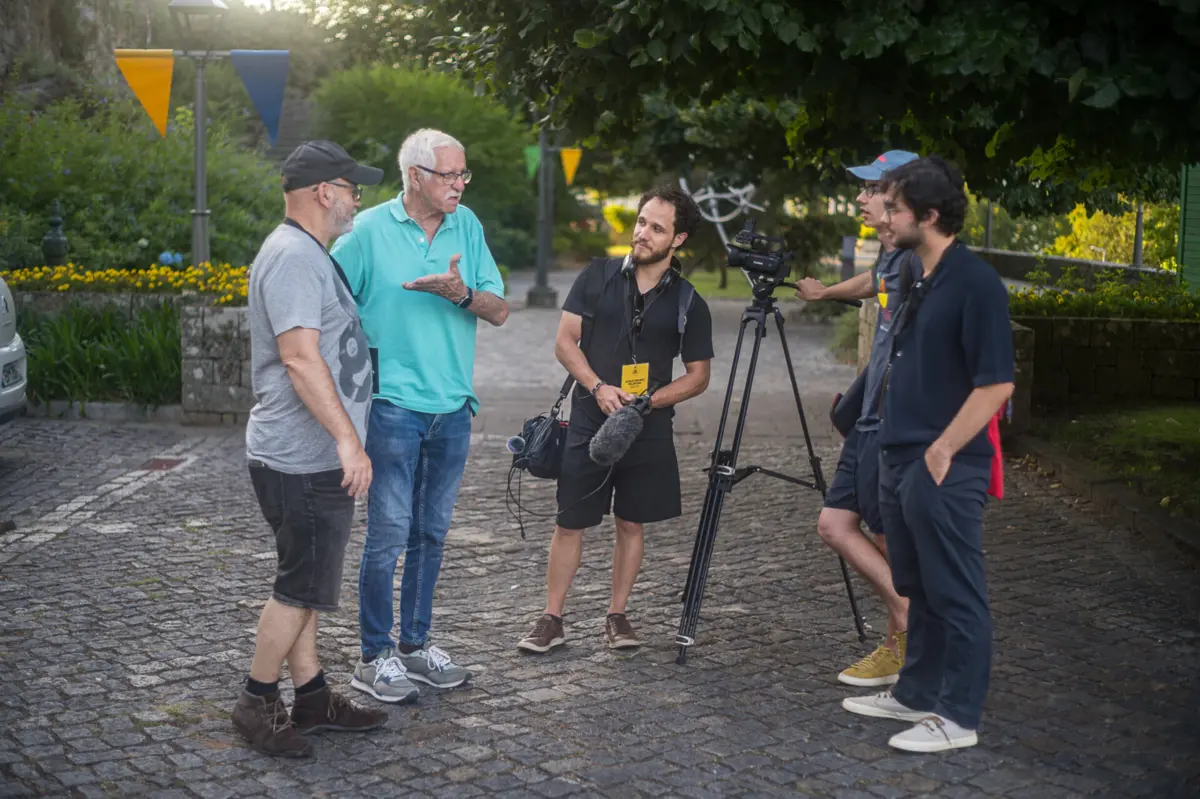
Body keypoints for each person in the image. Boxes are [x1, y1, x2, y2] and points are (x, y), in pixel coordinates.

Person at [841, 156, 1014, 753]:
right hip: (898, 454)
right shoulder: (916, 273)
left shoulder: (975, 283)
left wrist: (942, 450)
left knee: (956, 590)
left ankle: (958, 716)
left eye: (894, 209)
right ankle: (916, 693)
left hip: (944, 463)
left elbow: (996, 384)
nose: (882, 217)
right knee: (918, 585)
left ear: (930, 216)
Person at [330, 128, 509, 703]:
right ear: (415, 177)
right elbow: (327, 307)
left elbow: (500, 310)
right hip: (390, 411)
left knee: (430, 534)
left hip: (453, 409)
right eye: (449, 175)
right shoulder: (366, 233)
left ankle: (414, 645)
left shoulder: (468, 225)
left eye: (464, 174)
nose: (460, 184)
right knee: (386, 537)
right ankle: (373, 656)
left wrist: (458, 293)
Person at [233, 140, 389, 758]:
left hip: (306, 455)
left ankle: (314, 695)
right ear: (325, 192)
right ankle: (254, 700)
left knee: (309, 582)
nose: (356, 199)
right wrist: (349, 441)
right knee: (300, 587)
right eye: (353, 188)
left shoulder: (305, 252)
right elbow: (299, 358)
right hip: (305, 458)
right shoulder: (294, 257)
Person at [517, 186, 714, 654]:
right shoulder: (597, 275)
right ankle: (552, 618)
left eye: (656, 228)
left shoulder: (690, 302)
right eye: (642, 221)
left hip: (647, 430)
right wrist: (599, 387)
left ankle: (617, 615)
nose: (642, 233)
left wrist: (649, 402)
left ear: (678, 239)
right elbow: (565, 342)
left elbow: (699, 376)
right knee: (570, 523)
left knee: (631, 523)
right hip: (588, 420)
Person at [794, 150, 918, 687]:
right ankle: (909, 625)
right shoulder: (893, 258)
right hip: (867, 420)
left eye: (871, 190)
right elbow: (872, 282)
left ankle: (903, 646)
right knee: (836, 523)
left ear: (901, 200)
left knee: (890, 540)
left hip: (892, 426)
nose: (862, 198)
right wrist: (824, 291)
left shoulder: (919, 261)